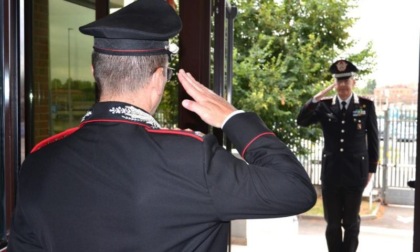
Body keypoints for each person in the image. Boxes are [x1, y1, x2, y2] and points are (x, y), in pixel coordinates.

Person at [8, 0, 316, 251]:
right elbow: (295, 189)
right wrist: (231, 117)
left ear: (94, 71)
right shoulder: (191, 160)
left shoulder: (39, 161)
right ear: (159, 78)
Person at [297, 59, 379, 252]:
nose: (342, 84)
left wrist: (371, 169)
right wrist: (315, 99)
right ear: (334, 83)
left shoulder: (365, 106)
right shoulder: (324, 106)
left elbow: (374, 140)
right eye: (338, 80)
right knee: (332, 224)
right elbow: (302, 121)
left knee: (351, 223)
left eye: (346, 80)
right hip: (331, 174)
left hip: (355, 174)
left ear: (354, 82)